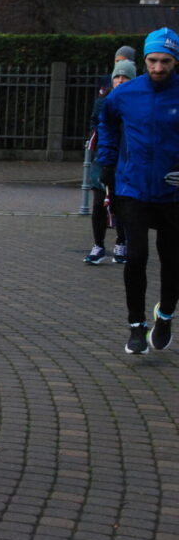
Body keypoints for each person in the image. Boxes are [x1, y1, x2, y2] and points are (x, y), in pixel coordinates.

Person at [97, 27, 179, 355]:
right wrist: (107, 162)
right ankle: (136, 325)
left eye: (165, 61)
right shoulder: (125, 94)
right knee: (136, 257)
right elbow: (106, 122)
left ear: (175, 62)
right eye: (152, 60)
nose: (158, 67)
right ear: (144, 59)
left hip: (173, 191)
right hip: (133, 187)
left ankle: (166, 315)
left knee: (172, 259)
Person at [84, 58, 135, 265]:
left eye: (125, 77)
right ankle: (98, 245)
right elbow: (95, 124)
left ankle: (121, 243)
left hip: (125, 160)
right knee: (98, 204)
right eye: (117, 77)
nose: (120, 80)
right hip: (104, 159)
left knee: (120, 203)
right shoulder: (102, 102)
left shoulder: (136, 104)